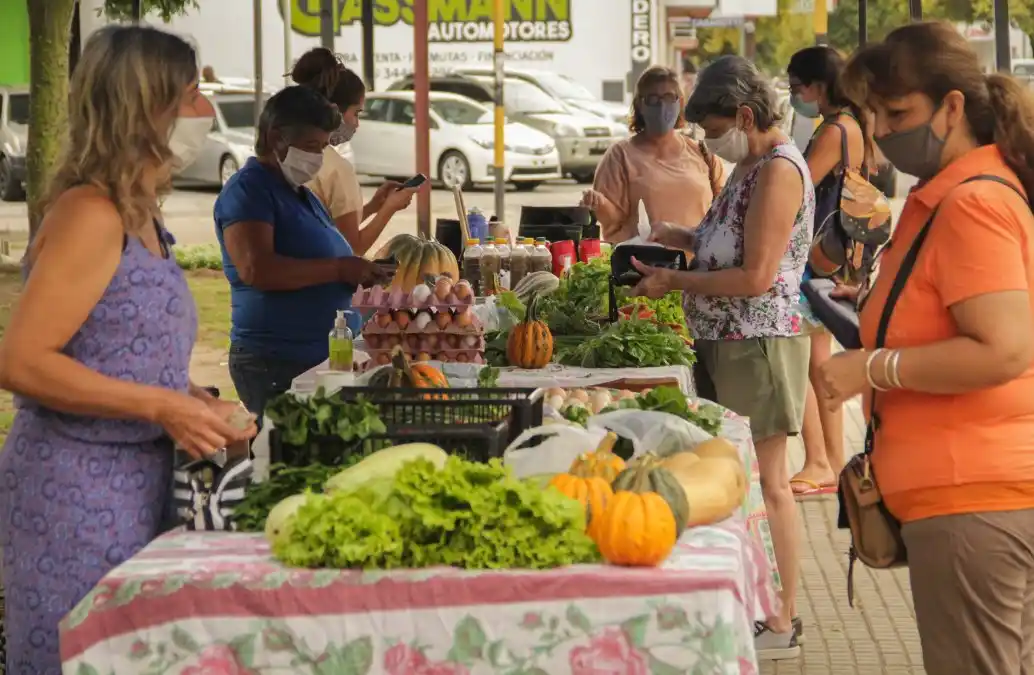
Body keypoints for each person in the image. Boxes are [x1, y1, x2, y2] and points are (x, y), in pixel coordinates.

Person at [0, 26, 256, 673]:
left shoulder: (145, 215)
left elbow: (122, 352)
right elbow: (21, 360)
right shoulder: (92, 212)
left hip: (136, 484)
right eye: (194, 92)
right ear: (148, 107)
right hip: (75, 491)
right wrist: (158, 404)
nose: (205, 110)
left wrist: (192, 403)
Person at [819, 21, 1034, 675]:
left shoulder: (971, 205)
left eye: (898, 111)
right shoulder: (960, 194)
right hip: (981, 491)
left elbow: (1004, 348)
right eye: (875, 114)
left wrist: (871, 368)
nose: (882, 130)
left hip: (976, 496)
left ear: (952, 106)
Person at [630, 55, 813, 661]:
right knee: (734, 475)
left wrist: (673, 284)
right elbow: (724, 242)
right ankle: (753, 602)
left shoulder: (779, 169)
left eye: (711, 130)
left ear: (742, 114)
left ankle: (782, 616)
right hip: (726, 338)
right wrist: (680, 240)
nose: (709, 141)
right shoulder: (748, 166)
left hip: (757, 341)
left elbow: (757, 276)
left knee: (770, 481)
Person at [214, 86, 393, 419]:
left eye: (324, 147)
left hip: (316, 356)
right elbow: (257, 270)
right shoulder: (249, 189)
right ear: (276, 138)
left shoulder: (301, 194)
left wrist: (362, 272)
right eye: (311, 146)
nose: (318, 157)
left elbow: (323, 256)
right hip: (275, 361)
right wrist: (340, 270)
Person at [785, 45, 870, 499]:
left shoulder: (833, 130)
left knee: (807, 361)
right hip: (838, 255)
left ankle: (820, 459)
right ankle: (830, 460)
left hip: (813, 256)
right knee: (818, 356)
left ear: (818, 86)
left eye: (797, 87)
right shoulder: (854, 124)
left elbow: (797, 188)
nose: (796, 96)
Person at [291, 48, 418, 256]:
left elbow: (329, 227)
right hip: (323, 284)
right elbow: (351, 249)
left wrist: (373, 207)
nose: (357, 124)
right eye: (356, 113)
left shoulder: (289, 154)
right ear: (334, 111)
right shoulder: (336, 169)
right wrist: (389, 209)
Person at [580, 65, 723, 244]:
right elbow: (612, 222)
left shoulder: (703, 154)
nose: (662, 106)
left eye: (669, 97)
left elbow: (724, 212)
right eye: (653, 99)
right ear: (640, 105)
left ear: (680, 102)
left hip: (700, 268)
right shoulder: (620, 156)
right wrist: (598, 203)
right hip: (643, 267)